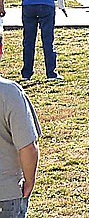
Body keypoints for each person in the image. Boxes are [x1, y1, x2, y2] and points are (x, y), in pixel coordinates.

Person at [0, 43, 42, 218]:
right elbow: (28, 147)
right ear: (1, 49)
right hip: (6, 193)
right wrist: (29, 181)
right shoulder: (10, 93)